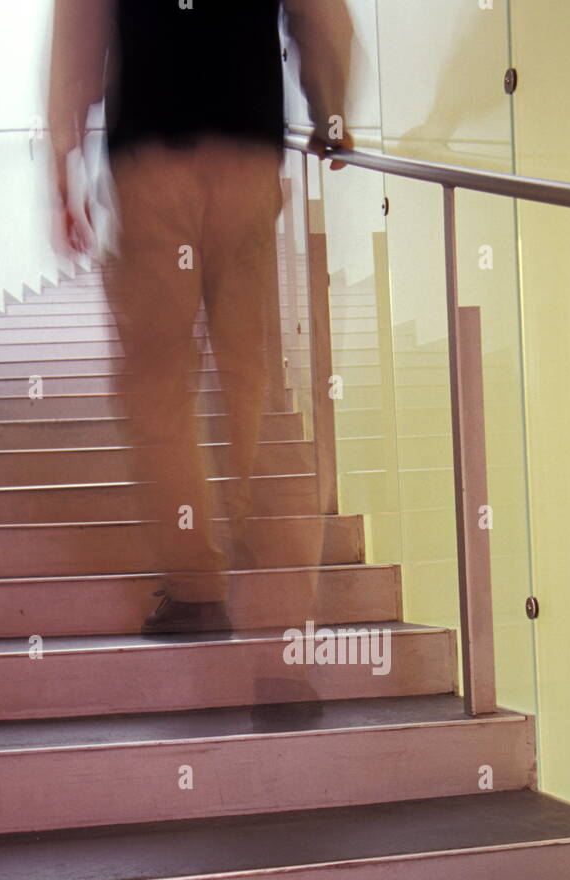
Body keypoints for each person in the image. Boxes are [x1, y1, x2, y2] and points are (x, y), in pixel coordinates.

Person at [48, 0, 354, 635]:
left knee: (158, 386)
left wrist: (63, 153)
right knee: (253, 379)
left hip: (150, 162)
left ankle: (196, 586)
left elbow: (78, 33)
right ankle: (279, 600)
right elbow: (321, 17)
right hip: (245, 154)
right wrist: (330, 111)